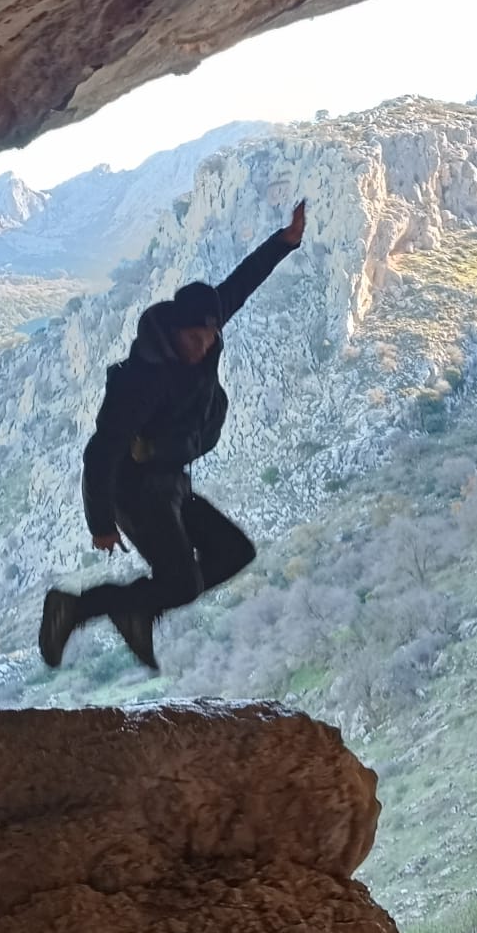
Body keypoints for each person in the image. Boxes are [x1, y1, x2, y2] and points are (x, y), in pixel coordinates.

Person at [38, 200, 307, 672]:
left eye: (207, 337)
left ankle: (137, 608)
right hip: (136, 493)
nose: (201, 347)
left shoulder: (205, 330)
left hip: (173, 483)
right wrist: (100, 522)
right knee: (182, 583)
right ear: (174, 329)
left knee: (234, 552)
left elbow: (240, 284)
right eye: (193, 338)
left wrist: (285, 241)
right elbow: (100, 452)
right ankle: (76, 607)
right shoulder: (141, 378)